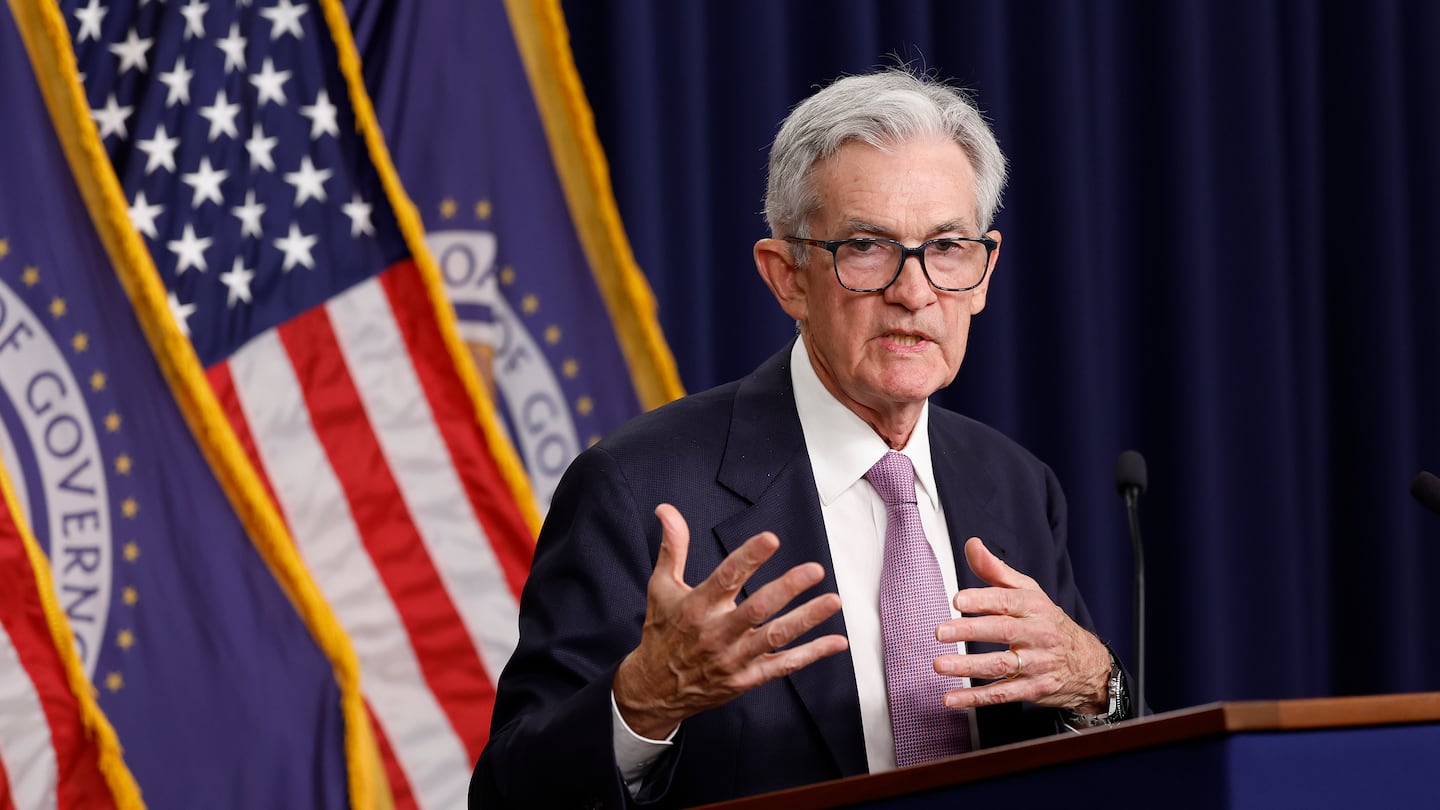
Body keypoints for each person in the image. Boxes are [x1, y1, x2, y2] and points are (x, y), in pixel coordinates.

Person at [470, 67, 1132, 809]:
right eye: (867, 248)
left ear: (982, 273)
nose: (914, 292)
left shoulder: (1016, 483)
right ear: (787, 276)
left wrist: (1096, 684)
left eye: (947, 247)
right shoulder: (639, 488)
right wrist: (644, 703)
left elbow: (1093, 759)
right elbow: (507, 797)